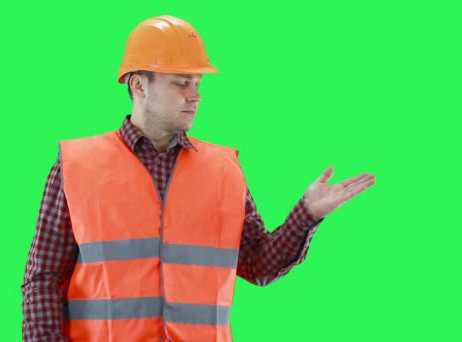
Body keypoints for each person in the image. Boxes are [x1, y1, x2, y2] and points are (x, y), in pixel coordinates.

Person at [21, 15, 375, 342]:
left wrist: (307, 215)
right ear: (140, 85)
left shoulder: (224, 168)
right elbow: (43, 279)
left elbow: (257, 266)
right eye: (181, 83)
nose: (196, 95)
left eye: (197, 83)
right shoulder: (77, 164)